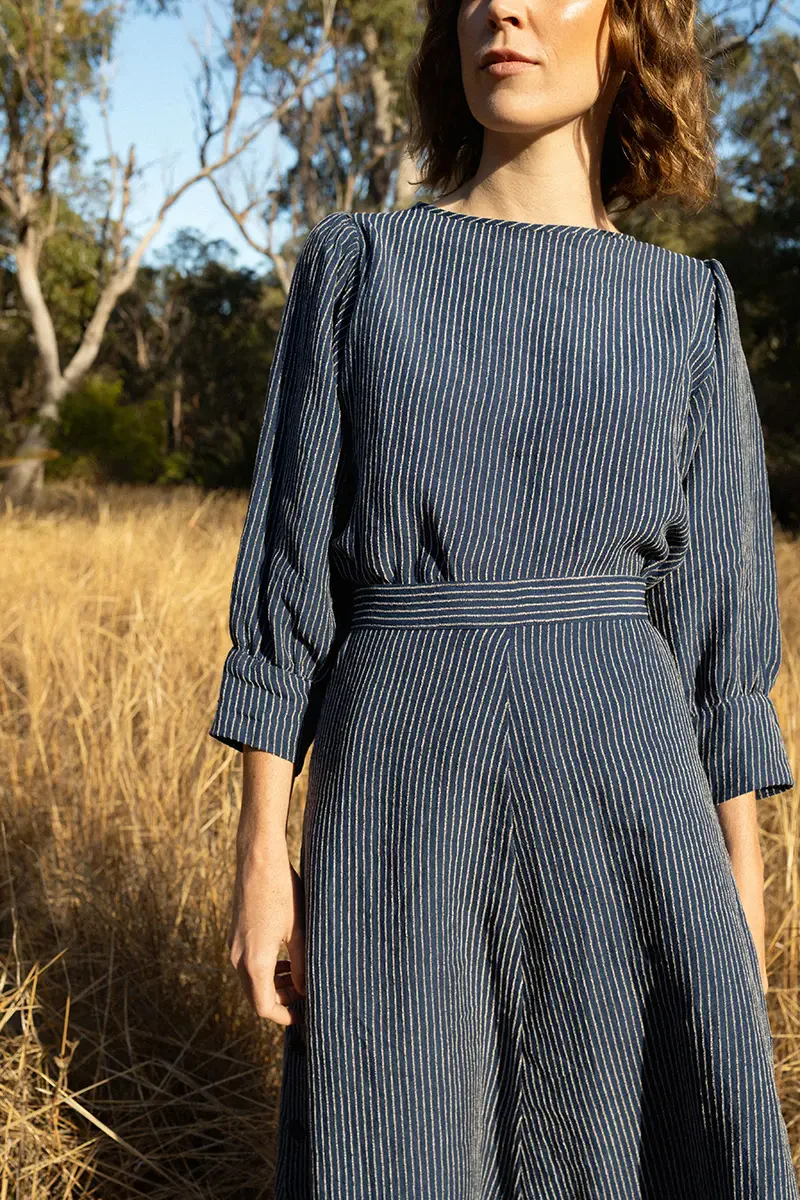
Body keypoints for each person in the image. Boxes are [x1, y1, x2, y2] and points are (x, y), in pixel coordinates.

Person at [209, 0, 799, 1194]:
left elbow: (716, 635)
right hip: (399, 792)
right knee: (394, 1139)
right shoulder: (358, 268)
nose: (503, 9)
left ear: (627, 29)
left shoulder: (688, 309)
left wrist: (742, 878)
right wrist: (261, 854)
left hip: (630, 802)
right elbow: (286, 582)